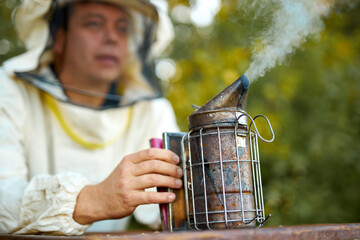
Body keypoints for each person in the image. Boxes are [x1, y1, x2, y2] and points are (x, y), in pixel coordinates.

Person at [0, 0, 183, 235]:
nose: (111, 38)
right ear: (59, 37)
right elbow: (4, 197)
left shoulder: (151, 110)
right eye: (94, 24)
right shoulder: (9, 92)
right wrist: (94, 200)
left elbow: (170, 206)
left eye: (122, 28)